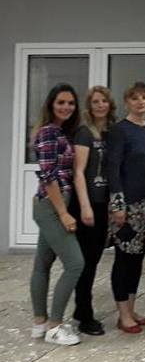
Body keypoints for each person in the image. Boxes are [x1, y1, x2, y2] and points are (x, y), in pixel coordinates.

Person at [29, 83, 85, 345]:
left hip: (52, 203)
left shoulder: (60, 131)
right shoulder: (48, 132)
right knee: (75, 263)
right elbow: (48, 176)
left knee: (42, 263)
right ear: (51, 104)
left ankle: (39, 323)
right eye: (61, 102)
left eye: (70, 103)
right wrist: (63, 213)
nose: (66, 107)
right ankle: (54, 326)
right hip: (52, 206)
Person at [107, 82, 145, 333]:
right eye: (134, 98)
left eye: (144, 98)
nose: (140, 102)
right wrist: (118, 205)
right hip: (127, 205)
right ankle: (122, 314)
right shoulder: (119, 130)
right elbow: (113, 169)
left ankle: (131, 308)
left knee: (137, 259)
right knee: (124, 259)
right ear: (127, 102)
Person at [69, 86, 115, 336]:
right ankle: (84, 314)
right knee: (85, 261)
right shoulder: (84, 132)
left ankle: (81, 309)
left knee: (94, 258)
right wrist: (85, 206)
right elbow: (78, 172)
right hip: (87, 204)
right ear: (89, 105)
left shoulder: (110, 132)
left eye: (104, 101)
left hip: (104, 203)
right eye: (95, 101)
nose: (100, 105)